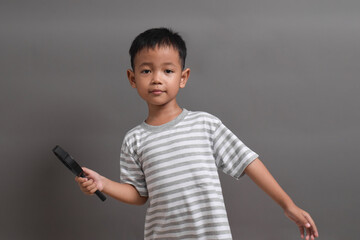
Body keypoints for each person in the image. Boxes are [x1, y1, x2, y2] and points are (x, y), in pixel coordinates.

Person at [75, 27, 319, 240]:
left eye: (168, 71)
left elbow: (247, 162)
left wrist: (287, 204)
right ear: (132, 78)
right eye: (147, 71)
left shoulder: (205, 125)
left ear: (183, 77)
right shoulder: (134, 139)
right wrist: (103, 183)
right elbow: (139, 195)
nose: (157, 79)